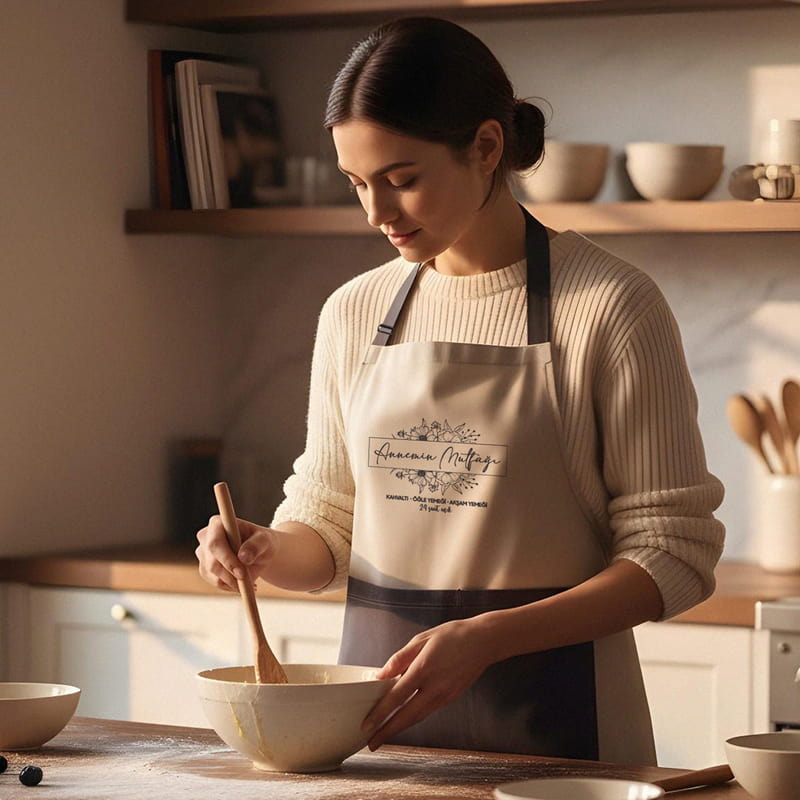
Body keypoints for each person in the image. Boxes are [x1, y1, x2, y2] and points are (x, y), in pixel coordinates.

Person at [195, 16, 725, 765]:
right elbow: (330, 527)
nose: (377, 214)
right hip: (379, 737)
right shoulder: (353, 312)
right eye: (358, 185)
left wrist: (486, 640)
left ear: (485, 147)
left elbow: (675, 554)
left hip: (561, 744)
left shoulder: (611, 306)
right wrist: (265, 550)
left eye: (402, 181)